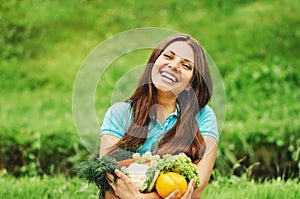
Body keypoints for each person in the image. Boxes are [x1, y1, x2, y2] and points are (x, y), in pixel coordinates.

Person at [99, 33, 219, 199]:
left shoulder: (204, 117)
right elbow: (110, 182)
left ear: (190, 84)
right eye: (168, 56)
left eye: (186, 66)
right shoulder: (119, 113)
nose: (174, 66)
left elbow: (197, 186)